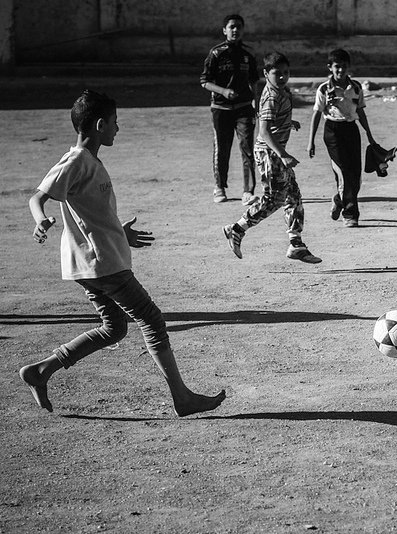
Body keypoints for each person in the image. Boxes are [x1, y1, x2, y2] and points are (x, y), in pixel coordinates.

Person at [19, 90, 226, 416]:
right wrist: (41, 220)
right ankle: (182, 398)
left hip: (94, 261)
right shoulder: (76, 160)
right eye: (115, 123)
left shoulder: (88, 161)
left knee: (114, 327)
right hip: (102, 263)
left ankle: (41, 371)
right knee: (152, 319)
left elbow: (90, 212)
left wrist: (120, 232)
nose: (118, 128)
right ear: (100, 125)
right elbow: (37, 198)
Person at [223, 52, 322, 264]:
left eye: (286, 73)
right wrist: (283, 154)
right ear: (266, 73)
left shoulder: (283, 91)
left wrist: (289, 122)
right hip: (269, 154)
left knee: (293, 195)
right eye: (277, 73)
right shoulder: (271, 96)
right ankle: (237, 229)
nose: (283, 77)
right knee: (274, 199)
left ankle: (296, 244)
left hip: (276, 153)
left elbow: (274, 120)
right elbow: (264, 132)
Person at [307, 48, 379, 228]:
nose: (341, 71)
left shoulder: (355, 87)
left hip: (351, 130)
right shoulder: (324, 89)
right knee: (345, 173)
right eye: (337, 67)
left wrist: (369, 135)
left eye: (344, 67)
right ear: (330, 67)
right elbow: (316, 114)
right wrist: (311, 141)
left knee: (356, 175)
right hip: (332, 132)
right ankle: (350, 214)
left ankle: (339, 199)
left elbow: (360, 111)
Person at [200, 13, 259, 205]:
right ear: (224, 30)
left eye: (239, 27)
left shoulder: (248, 55)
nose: (235, 30)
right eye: (232, 27)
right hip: (221, 108)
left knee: (248, 149)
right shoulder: (216, 54)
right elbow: (205, 82)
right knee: (222, 149)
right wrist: (223, 91)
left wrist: (256, 103)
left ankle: (248, 191)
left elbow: (254, 81)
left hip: (244, 108)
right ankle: (219, 187)